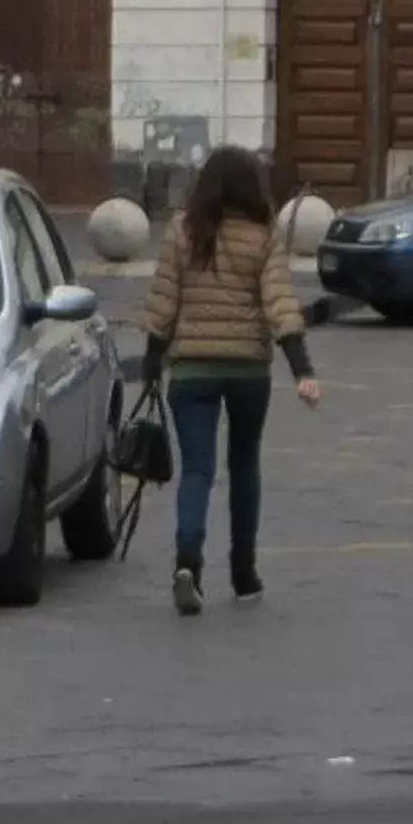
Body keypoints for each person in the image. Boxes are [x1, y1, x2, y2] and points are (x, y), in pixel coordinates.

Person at [139, 146, 321, 615]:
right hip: (246, 372)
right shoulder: (263, 236)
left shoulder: (183, 230)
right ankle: (243, 572)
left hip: (191, 370)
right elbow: (279, 301)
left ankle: (187, 564)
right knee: (244, 467)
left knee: (197, 468)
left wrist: (153, 360)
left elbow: (163, 301)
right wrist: (301, 367)